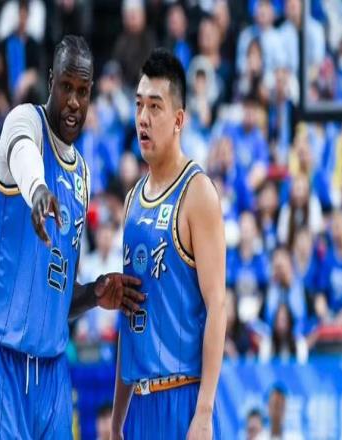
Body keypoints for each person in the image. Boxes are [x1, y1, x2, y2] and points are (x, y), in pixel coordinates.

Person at [0, 35, 144, 439]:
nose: (74, 102)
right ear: (51, 81)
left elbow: (58, 296)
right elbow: (22, 153)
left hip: (53, 372)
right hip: (2, 360)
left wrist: (94, 294)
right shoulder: (24, 121)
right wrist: (38, 190)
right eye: (66, 87)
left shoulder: (82, 176)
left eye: (83, 91)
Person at [111, 49, 226, 439]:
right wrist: (117, 419)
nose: (143, 118)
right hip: (139, 406)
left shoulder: (198, 192)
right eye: (139, 105)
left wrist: (204, 412)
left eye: (155, 107)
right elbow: (129, 315)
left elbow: (218, 305)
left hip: (183, 398)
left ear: (178, 120)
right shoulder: (132, 200)